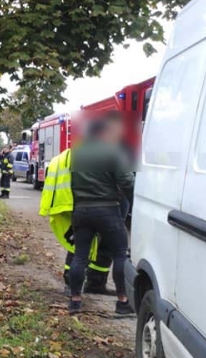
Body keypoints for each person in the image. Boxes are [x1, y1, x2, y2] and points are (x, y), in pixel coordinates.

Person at [67, 113, 135, 316]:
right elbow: (127, 182)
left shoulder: (77, 153)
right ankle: (123, 302)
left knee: (80, 256)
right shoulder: (113, 152)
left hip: (81, 210)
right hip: (107, 210)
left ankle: (75, 301)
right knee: (120, 254)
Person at [39, 149, 114, 295]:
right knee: (83, 244)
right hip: (89, 205)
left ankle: (92, 282)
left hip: (75, 204)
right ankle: (75, 283)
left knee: (89, 243)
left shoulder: (68, 156)